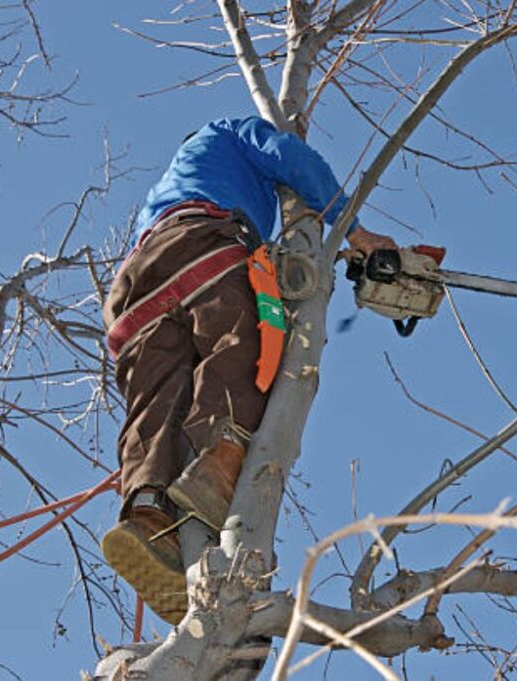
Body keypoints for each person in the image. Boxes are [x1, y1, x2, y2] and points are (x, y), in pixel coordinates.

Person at [100, 115, 396, 623]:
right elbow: (291, 158)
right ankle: (220, 460)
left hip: (133, 290)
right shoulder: (225, 133)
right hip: (201, 244)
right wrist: (355, 226)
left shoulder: (168, 188)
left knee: (157, 400)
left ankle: (149, 510)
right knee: (251, 350)